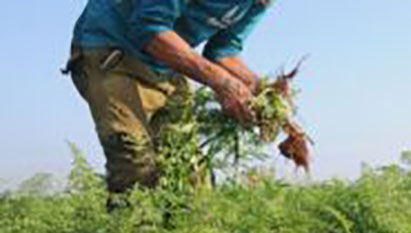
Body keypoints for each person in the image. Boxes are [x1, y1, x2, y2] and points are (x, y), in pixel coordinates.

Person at [64, 0, 271, 196]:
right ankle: (133, 231)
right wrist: (221, 82)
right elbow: (149, 28)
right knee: (136, 163)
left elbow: (223, 51)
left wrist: (265, 92)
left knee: (190, 172)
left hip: (164, 63)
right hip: (112, 48)